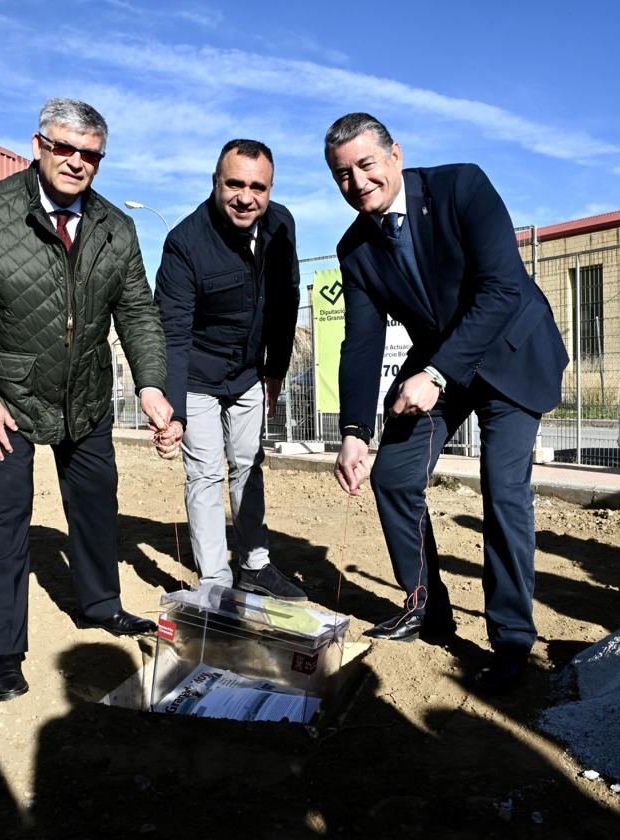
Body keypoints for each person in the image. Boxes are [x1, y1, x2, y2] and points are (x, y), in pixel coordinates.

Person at [0, 98, 173, 702]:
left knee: (95, 505)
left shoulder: (117, 226)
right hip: (3, 399)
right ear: (38, 145)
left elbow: (137, 310)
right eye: (64, 147)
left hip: (84, 393)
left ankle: (100, 605)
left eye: (90, 154)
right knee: (7, 519)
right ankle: (5, 651)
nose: (76, 162)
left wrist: (151, 384)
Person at [323, 113, 569, 692]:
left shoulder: (461, 187)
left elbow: (503, 285)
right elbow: (361, 341)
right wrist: (355, 429)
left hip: (510, 350)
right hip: (445, 362)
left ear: (396, 155)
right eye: (342, 175)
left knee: (502, 488)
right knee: (393, 477)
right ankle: (423, 608)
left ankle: (511, 641)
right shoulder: (355, 248)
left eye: (366, 164)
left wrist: (434, 372)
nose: (357, 182)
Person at [152, 139, 305, 600]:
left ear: (270, 187)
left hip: (247, 375)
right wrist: (173, 410)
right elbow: (172, 334)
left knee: (249, 465)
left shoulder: (280, 225)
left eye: (257, 187)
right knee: (205, 474)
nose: (246, 197)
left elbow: (286, 300)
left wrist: (275, 370)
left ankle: (255, 565)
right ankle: (216, 582)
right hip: (197, 378)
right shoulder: (185, 243)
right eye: (234, 183)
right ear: (215, 183)